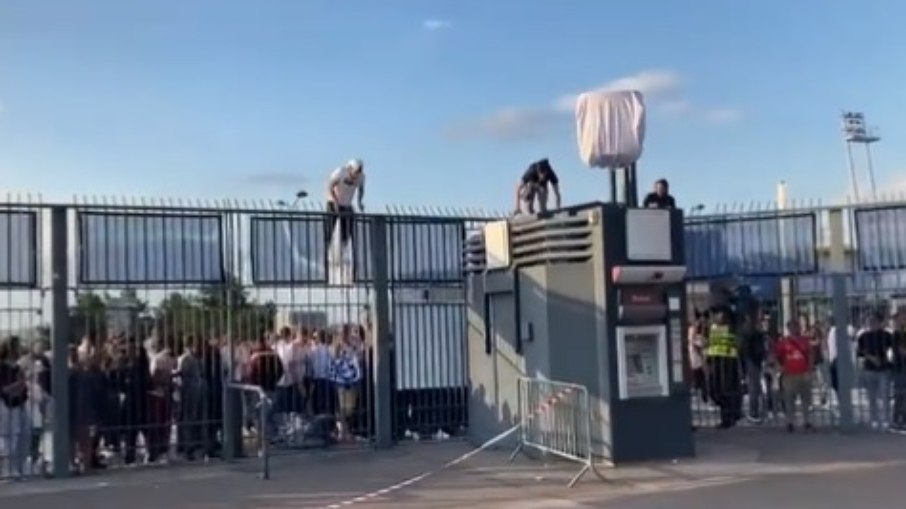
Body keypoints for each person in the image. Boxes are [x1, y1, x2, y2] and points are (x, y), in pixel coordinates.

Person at [775, 320, 814, 432]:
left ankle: (807, 421)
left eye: (795, 326)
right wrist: (780, 367)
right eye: (791, 327)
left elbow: (810, 353)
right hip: (789, 374)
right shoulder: (784, 342)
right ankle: (790, 422)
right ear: (788, 328)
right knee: (789, 400)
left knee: (806, 399)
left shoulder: (805, 341)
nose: (794, 329)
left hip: (803, 372)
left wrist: (810, 368)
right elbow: (776, 355)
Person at [705, 310, 742, 428]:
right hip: (715, 362)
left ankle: (728, 418)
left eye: (720, 314)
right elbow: (709, 344)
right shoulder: (713, 328)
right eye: (717, 314)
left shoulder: (732, 328)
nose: (717, 316)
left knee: (727, 392)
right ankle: (731, 413)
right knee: (715, 392)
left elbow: (737, 344)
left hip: (728, 362)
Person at [857, 311, 894, 429]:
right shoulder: (863, 336)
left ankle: (886, 419)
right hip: (869, 368)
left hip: (884, 368)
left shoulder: (887, 335)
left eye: (874, 321)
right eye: (870, 321)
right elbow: (860, 352)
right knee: (871, 396)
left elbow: (892, 349)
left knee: (884, 395)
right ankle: (874, 419)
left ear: (880, 322)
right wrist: (871, 358)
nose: (872, 323)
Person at [325, 158, 366, 253]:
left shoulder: (361, 177)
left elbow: (361, 189)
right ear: (350, 168)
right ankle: (327, 249)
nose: (356, 175)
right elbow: (330, 186)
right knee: (329, 228)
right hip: (333, 201)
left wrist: (360, 202)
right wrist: (335, 201)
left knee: (347, 230)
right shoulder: (340, 172)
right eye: (355, 172)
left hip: (346, 204)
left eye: (359, 173)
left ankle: (342, 250)